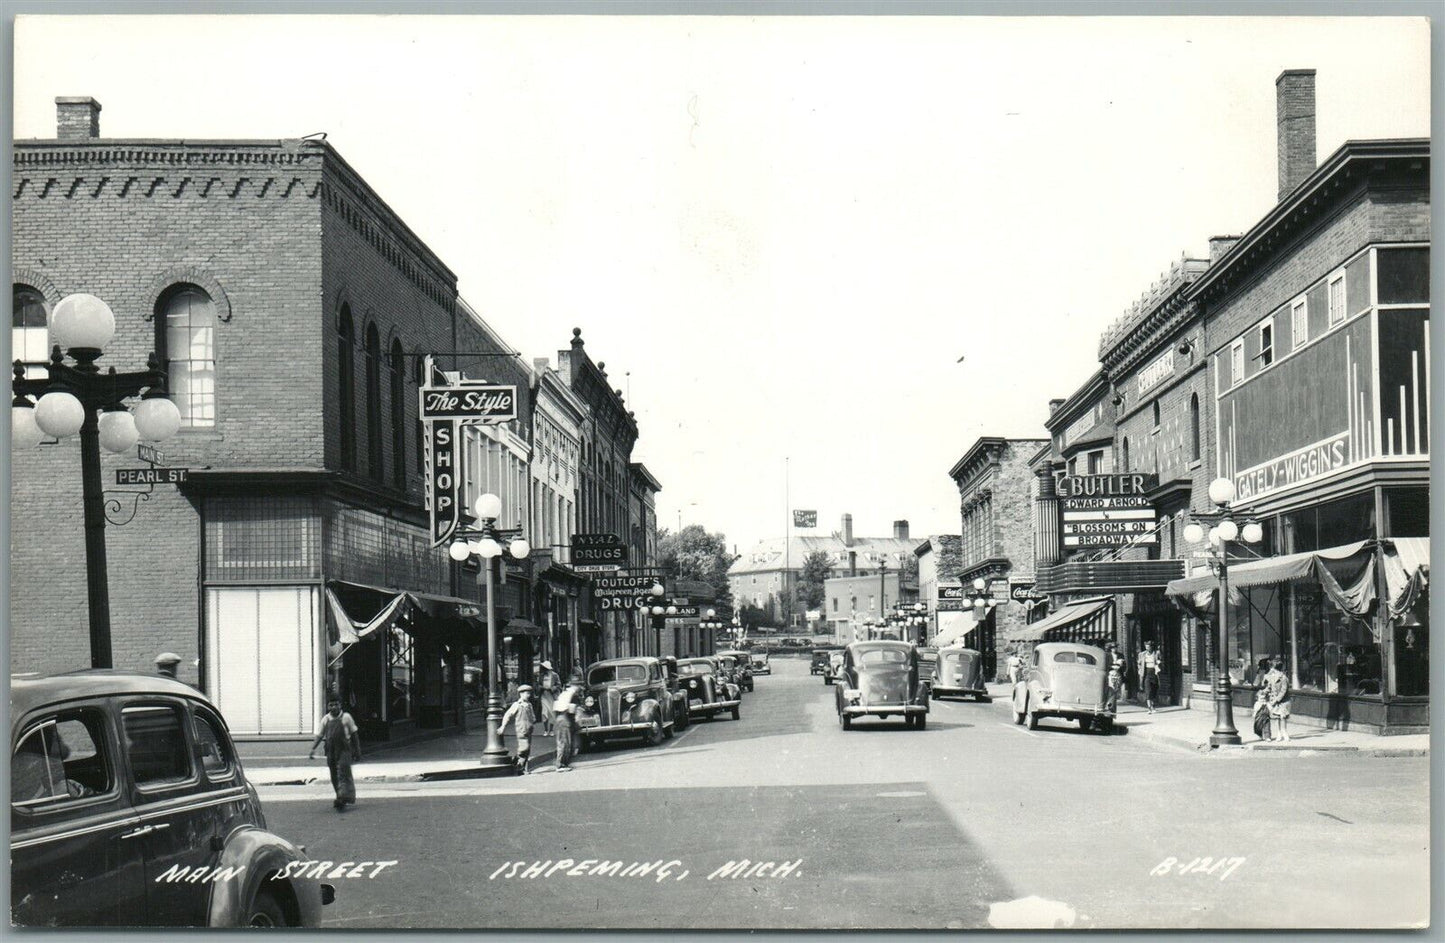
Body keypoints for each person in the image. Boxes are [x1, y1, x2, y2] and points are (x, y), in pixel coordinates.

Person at [308, 699, 362, 811]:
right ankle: (339, 795)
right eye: (331, 705)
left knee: (343, 772)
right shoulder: (326, 719)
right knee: (334, 774)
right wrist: (313, 748)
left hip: (344, 750)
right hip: (331, 751)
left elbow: (354, 734)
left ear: (340, 705)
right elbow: (320, 735)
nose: (334, 707)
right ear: (328, 706)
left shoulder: (346, 717)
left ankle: (343, 797)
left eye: (336, 704)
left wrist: (357, 751)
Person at [499, 684, 537, 774]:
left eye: (529, 693)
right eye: (526, 693)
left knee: (527, 749)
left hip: (529, 729)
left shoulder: (529, 705)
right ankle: (519, 766)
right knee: (524, 748)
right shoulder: (517, 705)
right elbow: (507, 715)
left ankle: (519, 765)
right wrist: (503, 726)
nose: (528, 695)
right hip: (521, 729)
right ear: (521, 694)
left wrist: (533, 721)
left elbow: (533, 716)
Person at [552, 672, 584, 773]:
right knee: (565, 743)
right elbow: (573, 709)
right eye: (579, 685)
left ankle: (563, 763)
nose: (580, 687)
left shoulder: (564, 693)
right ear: (575, 685)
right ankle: (560, 764)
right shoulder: (573, 695)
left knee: (564, 742)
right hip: (565, 719)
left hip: (560, 718)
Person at [1261, 657, 1291, 742]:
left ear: (1277, 670)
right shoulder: (1271, 677)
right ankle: (1279, 733)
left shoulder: (1283, 678)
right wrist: (1264, 691)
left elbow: (1283, 691)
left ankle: (1284, 732)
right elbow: (1269, 687)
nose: (1272, 671)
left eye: (1273, 669)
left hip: (1283, 701)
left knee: (1283, 717)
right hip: (1274, 700)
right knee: (1277, 717)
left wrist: (1277, 700)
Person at [1252, 658, 1273, 741]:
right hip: (1265, 696)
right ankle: (1267, 735)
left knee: (1260, 719)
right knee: (1266, 718)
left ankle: (1262, 734)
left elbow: (1256, 683)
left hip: (1261, 696)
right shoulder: (1269, 673)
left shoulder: (1261, 673)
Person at [537, 660, 561, 736]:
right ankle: (545, 730)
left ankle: (551, 730)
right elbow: (538, 685)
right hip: (544, 695)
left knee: (552, 713)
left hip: (552, 696)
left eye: (545, 668)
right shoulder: (541, 676)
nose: (544, 670)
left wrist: (552, 688)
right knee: (544, 712)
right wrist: (541, 688)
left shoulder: (555, 675)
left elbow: (559, 685)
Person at [1138, 640, 1161, 713]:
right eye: (1146, 647)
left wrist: (1159, 663)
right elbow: (1139, 663)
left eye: (1149, 647)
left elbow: (1160, 661)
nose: (1147, 648)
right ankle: (1149, 708)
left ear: (1151, 647)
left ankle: (1153, 706)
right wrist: (1140, 669)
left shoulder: (1156, 653)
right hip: (1146, 673)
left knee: (1154, 690)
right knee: (1148, 691)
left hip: (1154, 673)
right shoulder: (1142, 654)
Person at [1104, 642, 1126, 713]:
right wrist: (1112, 667)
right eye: (1113, 648)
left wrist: (1121, 665)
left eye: (1116, 647)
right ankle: (1110, 706)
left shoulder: (1120, 655)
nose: (1114, 649)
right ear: (1111, 648)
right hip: (1110, 674)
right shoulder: (1107, 655)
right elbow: (1105, 665)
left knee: (1116, 691)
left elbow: (1124, 666)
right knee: (1111, 689)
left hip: (1118, 674)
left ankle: (1112, 706)